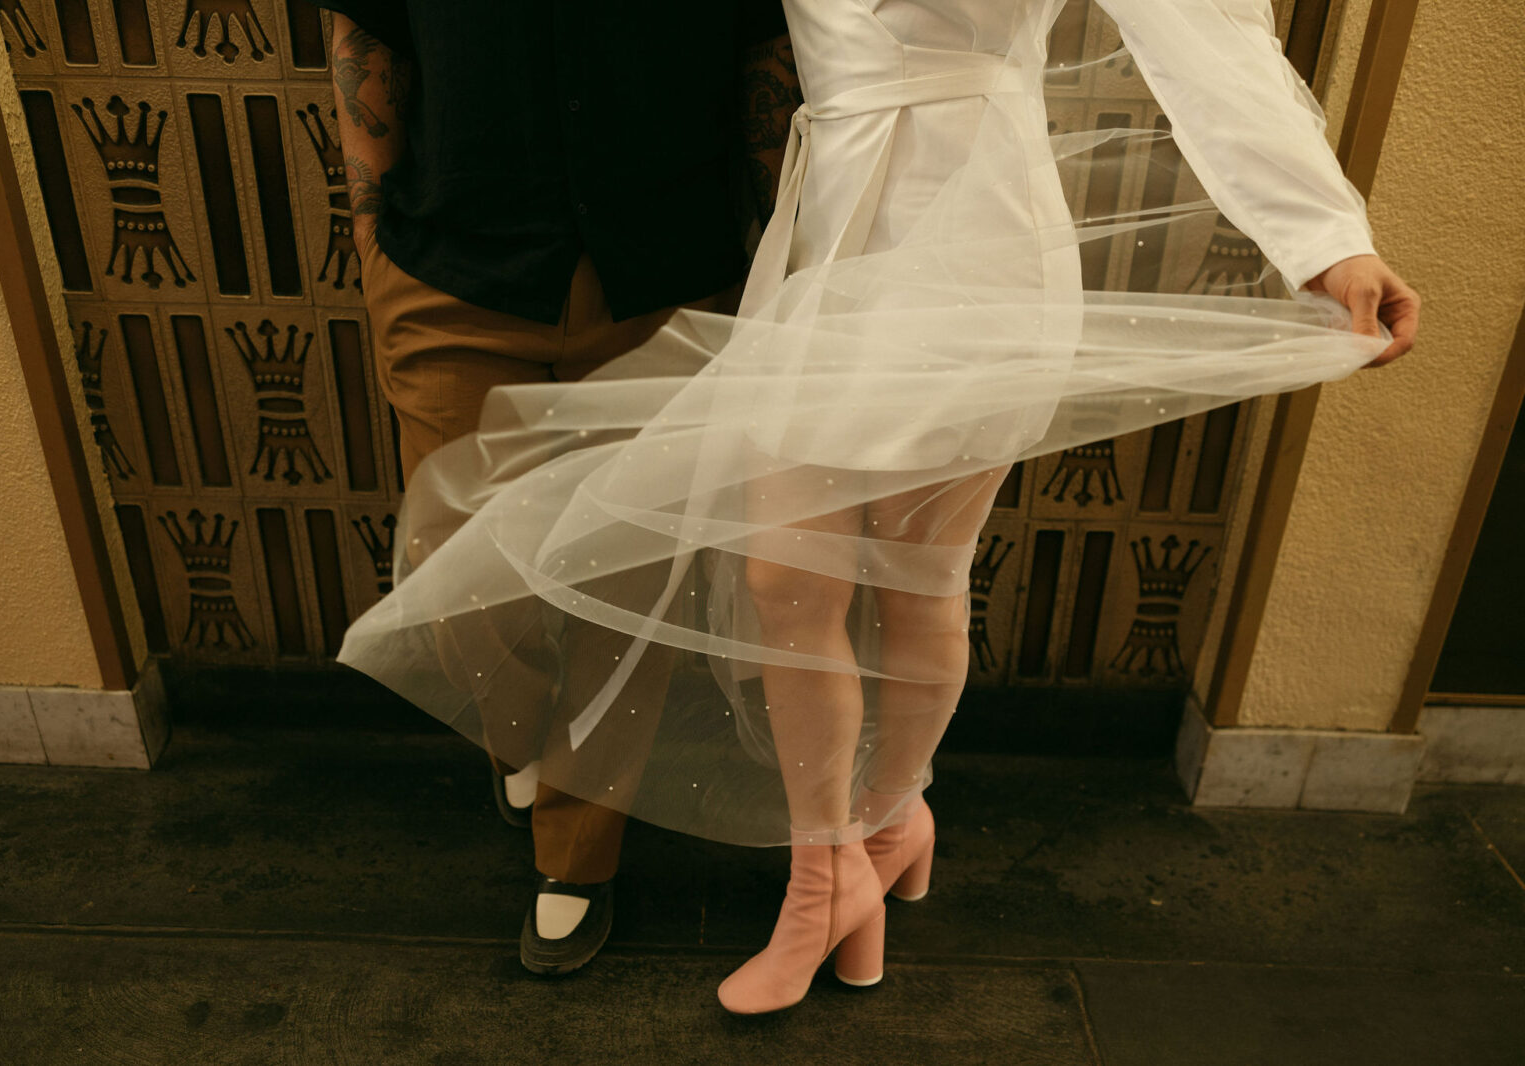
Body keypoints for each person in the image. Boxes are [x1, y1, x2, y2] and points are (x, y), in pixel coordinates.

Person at [336, 0, 1421, 1015]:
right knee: (783, 580)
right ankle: (877, 840)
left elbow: (1204, 30)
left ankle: (850, 859)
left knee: (913, 580)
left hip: (971, 241)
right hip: (827, 230)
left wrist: (1327, 239)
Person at [314, 0, 800, 975]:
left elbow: (764, 54)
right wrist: (372, 238)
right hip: (450, 264)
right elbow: (364, 34)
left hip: (665, 265)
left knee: (627, 589)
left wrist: (762, 269)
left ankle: (578, 858)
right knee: (458, 577)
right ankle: (519, 739)